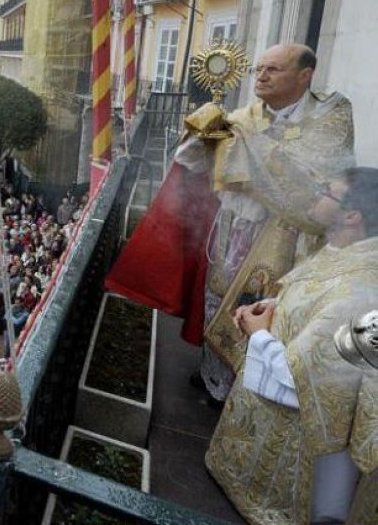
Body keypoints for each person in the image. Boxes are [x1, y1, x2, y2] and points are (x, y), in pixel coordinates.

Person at [106, 43, 356, 404]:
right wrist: (202, 137)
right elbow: (197, 166)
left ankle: (248, 386)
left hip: (289, 237)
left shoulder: (332, 115)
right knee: (218, 299)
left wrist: (244, 147)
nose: (262, 76)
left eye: (273, 69)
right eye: (258, 69)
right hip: (232, 229)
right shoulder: (246, 117)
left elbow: (319, 182)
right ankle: (215, 377)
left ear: (305, 75)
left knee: (264, 309)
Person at [206, 167, 378, 523]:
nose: (315, 195)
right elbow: (312, 304)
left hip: (289, 464)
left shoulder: (360, 292)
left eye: (326, 191)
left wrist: (258, 335)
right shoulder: (346, 253)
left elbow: (307, 382)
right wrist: (273, 309)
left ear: (351, 215)